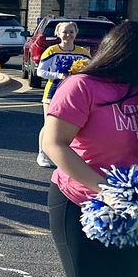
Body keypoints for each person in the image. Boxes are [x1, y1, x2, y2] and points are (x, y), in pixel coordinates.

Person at [40, 20, 138, 277]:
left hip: (133, 207)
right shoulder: (83, 86)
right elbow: (52, 142)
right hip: (82, 202)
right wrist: (105, 190)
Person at [36, 22, 91, 168]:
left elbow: (90, 70)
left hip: (75, 93)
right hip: (53, 90)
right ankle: (42, 153)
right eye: (64, 32)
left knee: (73, 124)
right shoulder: (51, 50)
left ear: (76, 33)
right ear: (58, 34)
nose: (68, 35)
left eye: (71, 32)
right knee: (48, 125)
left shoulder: (83, 52)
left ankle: (69, 155)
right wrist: (58, 75)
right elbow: (40, 72)